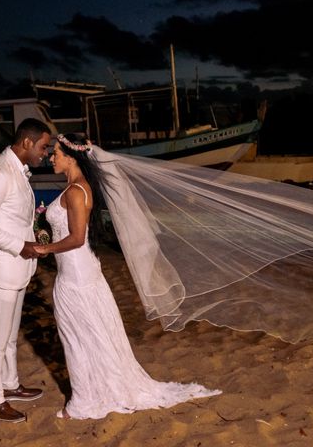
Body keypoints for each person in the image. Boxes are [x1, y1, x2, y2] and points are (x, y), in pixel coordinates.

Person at [33, 133, 221, 420]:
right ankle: (91, 393)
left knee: (78, 337)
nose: (51, 156)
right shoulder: (76, 187)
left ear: (72, 156)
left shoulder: (75, 191)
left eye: (56, 152)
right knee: (87, 336)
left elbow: (77, 238)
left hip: (77, 276)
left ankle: (84, 401)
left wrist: (45, 247)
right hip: (80, 272)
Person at [0, 117, 52, 423]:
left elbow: (15, 215)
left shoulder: (17, 169)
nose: (45, 153)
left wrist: (36, 236)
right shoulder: (0, 173)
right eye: (43, 147)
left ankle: (10, 384)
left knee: (9, 333)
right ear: (27, 142)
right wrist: (21, 246)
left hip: (17, 268)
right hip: (2, 267)